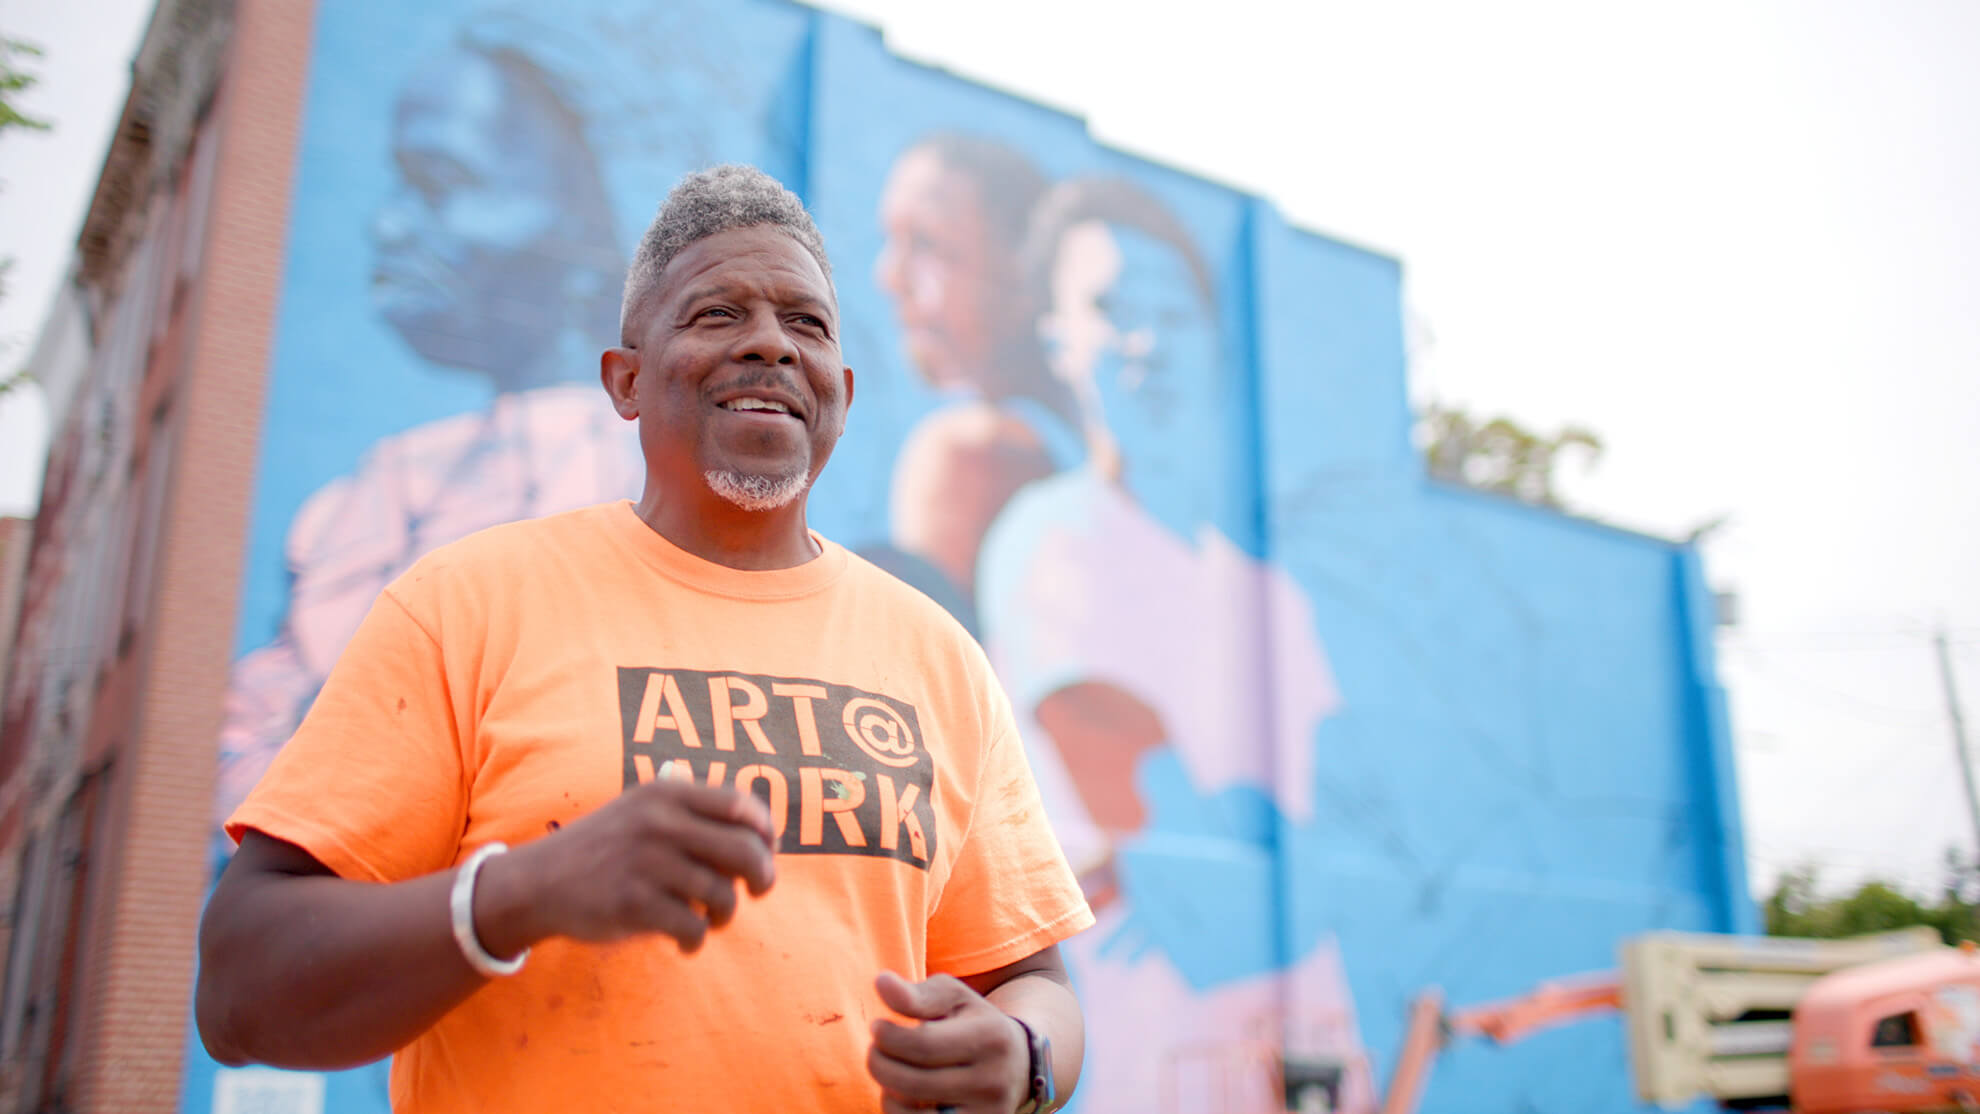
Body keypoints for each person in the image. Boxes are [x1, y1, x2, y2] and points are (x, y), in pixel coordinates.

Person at [196, 166, 1093, 1114]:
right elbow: (240, 992)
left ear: (842, 389)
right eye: (716, 314)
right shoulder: (465, 605)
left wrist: (1022, 1055)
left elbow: (1036, 986)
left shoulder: (936, 654)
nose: (770, 345)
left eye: (808, 324)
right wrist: (520, 894)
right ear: (624, 381)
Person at [975, 177, 1374, 1112]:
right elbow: (1193, 877)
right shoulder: (1052, 545)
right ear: (1058, 339)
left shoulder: (1272, 597)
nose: (1147, 342)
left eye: (1172, 314)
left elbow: (1353, 851)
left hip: (1308, 1056)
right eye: (1112, 309)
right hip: (1144, 1060)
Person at [214, 13, 649, 827]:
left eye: (443, 181)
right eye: (398, 183)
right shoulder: (391, 480)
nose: (388, 225)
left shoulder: (657, 492)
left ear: (589, 222)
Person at [873, 135, 1083, 610]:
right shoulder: (1085, 447)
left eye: (925, 244)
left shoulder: (969, 452)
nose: (889, 276)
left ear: (1024, 274)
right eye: (892, 241)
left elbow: (928, 671)